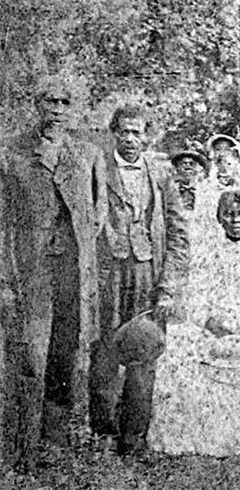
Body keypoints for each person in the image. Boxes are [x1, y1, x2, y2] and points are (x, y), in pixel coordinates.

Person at [0, 78, 107, 470]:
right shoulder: (11, 154)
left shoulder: (89, 154)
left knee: (65, 355)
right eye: (50, 100)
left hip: (72, 274)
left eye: (66, 101)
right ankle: (20, 448)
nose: (58, 108)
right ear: (37, 104)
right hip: (31, 273)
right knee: (29, 355)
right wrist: (5, 281)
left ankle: (54, 444)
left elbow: (98, 216)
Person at [90, 105, 189, 455]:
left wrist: (168, 287)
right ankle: (102, 434)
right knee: (103, 350)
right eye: (124, 132)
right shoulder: (97, 167)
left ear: (148, 137)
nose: (130, 139)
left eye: (137, 132)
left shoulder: (160, 173)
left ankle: (134, 439)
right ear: (113, 133)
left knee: (144, 351)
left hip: (147, 272)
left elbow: (178, 233)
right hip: (107, 271)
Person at [148, 190, 240, 457]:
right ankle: (198, 435)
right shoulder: (208, 253)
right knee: (179, 354)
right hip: (213, 321)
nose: (235, 220)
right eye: (229, 214)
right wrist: (209, 321)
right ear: (219, 218)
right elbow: (198, 292)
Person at [170, 142, 209, 213]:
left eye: (191, 164)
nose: (188, 166)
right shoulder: (171, 187)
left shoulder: (204, 188)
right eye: (184, 163)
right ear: (178, 167)